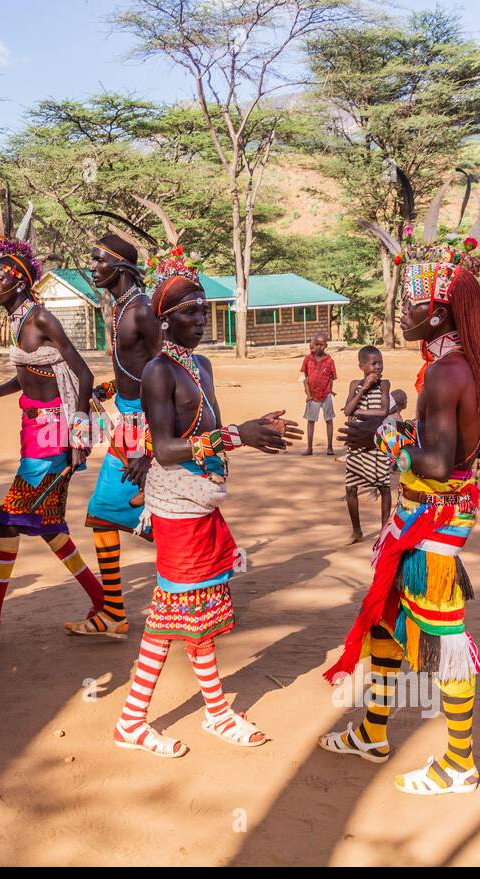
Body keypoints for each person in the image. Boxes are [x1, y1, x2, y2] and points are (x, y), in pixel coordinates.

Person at [320, 184, 480, 796]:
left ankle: (458, 764)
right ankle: (373, 732)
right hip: (425, 518)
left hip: (433, 525)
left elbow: (430, 460)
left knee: (446, 640)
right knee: (388, 621)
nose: (402, 313)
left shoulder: (445, 373)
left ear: (441, 310)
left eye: (413, 302)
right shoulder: (455, 365)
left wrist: (381, 434)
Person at [114, 242, 299, 757]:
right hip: (177, 506)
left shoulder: (202, 366)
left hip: (202, 502)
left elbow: (209, 428)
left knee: (199, 612)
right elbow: (168, 448)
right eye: (190, 311)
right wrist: (239, 435)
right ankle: (133, 721)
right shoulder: (158, 372)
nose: (201, 317)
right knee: (173, 612)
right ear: (165, 320)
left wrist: (251, 429)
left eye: (203, 308)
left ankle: (215, 712)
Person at [0, 199, 102, 648]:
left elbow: (81, 375)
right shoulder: (18, 321)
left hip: (53, 435)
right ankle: (102, 601)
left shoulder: (41, 317)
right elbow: (35, 374)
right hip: (34, 432)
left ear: (21, 281)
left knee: (7, 521)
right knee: (49, 526)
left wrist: (78, 434)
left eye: (0, 274)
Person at [65, 230, 160, 638]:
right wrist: (108, 390)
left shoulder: (140, 310)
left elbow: (166, 371)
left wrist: (153, 445)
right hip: (128, 422)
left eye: (98, 261)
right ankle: (115, 614)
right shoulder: (123, 308)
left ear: (121, 266)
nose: (92, 267)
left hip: (143, 427)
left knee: (109, 513)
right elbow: (134, 371)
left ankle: (210, 577)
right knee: (126, 516)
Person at [342, 346, 392, 544]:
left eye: (380, 362)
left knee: (384, 487)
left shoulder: (384, 385)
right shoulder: (355, 384)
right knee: (350, 489)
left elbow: (384, 410)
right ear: (361, 366)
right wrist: (362, 388)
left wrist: (360, 413)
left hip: (376, 442)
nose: (378, 367)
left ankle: (384, 531)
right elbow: (347, 410)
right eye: (373, 363)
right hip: (356, 443)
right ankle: (356, 531)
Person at [300, 332, 337, 456]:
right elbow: (304, 377)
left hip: (326, 395)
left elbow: (331, 377)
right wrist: (307, 394)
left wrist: (331, 390)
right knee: (310, 421)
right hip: (312, 396)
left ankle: (330, 447)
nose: (318, 347)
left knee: (329, 420)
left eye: (321, 345)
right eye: (316, 344)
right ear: (313, 344)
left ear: (326, 345)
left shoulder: (330, 361)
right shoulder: (307, 359)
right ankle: (309, 448)